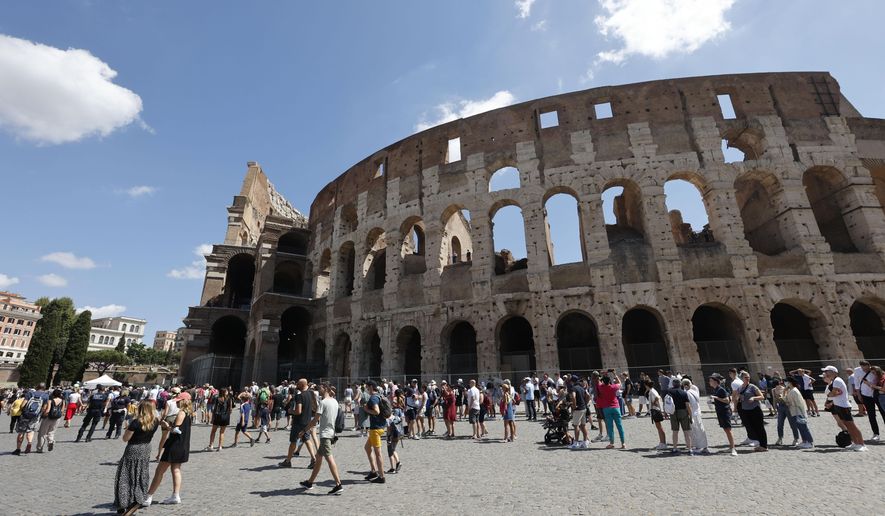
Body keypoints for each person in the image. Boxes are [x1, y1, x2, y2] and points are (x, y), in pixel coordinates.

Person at [144, 398, 193, 506]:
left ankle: (148, 496)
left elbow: (176, 430)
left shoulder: (181, 412)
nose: (176, 402)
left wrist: (167, 426)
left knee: (159, 471)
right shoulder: (189, 413)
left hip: (174, 445)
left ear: (183, 402)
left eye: (178, 401)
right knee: (176, 469)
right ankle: (175, 496)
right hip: (182, 445)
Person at [115, 401, 159, 514]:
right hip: (146, 448)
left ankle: (124, 501)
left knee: (126, 474)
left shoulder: (136, 422)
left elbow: (125, 438)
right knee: (140, 472)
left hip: (134, 448)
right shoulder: (155, 421)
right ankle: (138, 496)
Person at [300, 383, 343, 494]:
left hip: (325, 435)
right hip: (331, 432)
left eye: (320, 388)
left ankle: (338, 484)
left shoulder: (323, 403)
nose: (319, 391)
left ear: (326, 389)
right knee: (318, 458)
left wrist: (304, 430)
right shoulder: (335, 401)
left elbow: (315, 421)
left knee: (329, 459)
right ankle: (309, 482)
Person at [821, 365, 866, 451]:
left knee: (852, 426)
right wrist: (831, 397)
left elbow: (833, 393)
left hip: (844, 406)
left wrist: (830, 395)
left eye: (827, 371)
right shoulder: (834, 381)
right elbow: (834, 394)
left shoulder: (837, 380)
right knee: (847, 426)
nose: (826, 373)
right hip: (839, 405)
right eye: (825, 371)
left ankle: (862, 444)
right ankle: (855, 443)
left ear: (834, 372)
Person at [280, 379, 315, 468]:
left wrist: (290, 411)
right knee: (307, 440)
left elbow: (298, 411)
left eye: (298, 384)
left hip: (298, 422)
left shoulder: (299, 396)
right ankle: (313, 459)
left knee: (293, 441)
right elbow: (315, 407)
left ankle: (288, 461)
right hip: (307, 421)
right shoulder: (310, 394)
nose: (296, 385)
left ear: (302, 385)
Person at [736, 371, 768, 452]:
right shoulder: (740, 388)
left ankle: (764, 446)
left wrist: (754, 398)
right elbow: (737, 398)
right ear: (741, 378)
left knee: (760, 428)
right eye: (746, 377)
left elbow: (762, 397)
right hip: (746, 410)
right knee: (752, 427)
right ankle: (759, 444)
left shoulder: (752, 386)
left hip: (755, 410)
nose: (748, 379)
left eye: (748, 377)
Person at [363, 380, 387, 483]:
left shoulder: (373, 398)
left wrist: (366, 410)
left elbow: (376, 411)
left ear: (371, 387)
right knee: (367, 447)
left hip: (375, 429)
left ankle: (381, 477)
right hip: (381, 426)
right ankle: (373, 471)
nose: (366, 390)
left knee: (378, 453)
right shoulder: (379, 395)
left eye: (367, 388)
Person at [13, 383, 48, 455]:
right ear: (44, 388)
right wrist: (39, 413)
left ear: (37, 386)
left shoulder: (30, 393)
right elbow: (44, 408)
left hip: (25, 415)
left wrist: (23, 411)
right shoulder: (45, 396)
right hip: (35, 416)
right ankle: (29, 443)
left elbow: (23, 405)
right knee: (31, 431)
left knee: (21, 432)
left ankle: (18, 449)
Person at [708, 374, 737, 456]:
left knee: (728, 429)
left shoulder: (721, 389)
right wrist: (712, 402)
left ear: (715, 382)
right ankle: (731, 446)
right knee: (725, 429)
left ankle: (733, 448)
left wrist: (716, 398)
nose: (709, 382)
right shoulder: (715, 390)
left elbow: (727, 400)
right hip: (720, 411)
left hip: (725, 411)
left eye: (711, 381)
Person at [854, 360, 882, 441]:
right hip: (866, 395)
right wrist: (859, 395)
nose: (864, 370)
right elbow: (857, 383)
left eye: (865, 368)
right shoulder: (857, 370)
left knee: (883, 413)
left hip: (877, 394)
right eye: (862, 368)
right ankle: (876, 434)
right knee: (871, 415)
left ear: (869, 366)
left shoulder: (874, 370)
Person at [595, 374, 625, 449]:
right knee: (619, 426)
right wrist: (615, 375)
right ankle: (623, 443)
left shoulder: (601, 387)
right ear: (610, 381)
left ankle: (611, 443)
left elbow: (598, 382)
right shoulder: (613, 387)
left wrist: (600, 377)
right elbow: (620, 383)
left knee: (610, 427)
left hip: (606, 408)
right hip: (616, 407)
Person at [783, 376, 814, 449]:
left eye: (786, 382)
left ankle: (809, 442)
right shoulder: (791, 390)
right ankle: (805, 441)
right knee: (800, 428)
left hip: (798, 412)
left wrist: (789, 403)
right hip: (795, 411)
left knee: (803, 427)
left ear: (790, 382)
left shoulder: (794, 391)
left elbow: (798, 402)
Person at [665, 378, 693, 454]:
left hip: (673, 412)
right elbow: (688, 405)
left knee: (675, 431)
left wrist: (665, 412)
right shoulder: (684, 393)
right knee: (686, 431)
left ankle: (674, 448)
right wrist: (690, 415)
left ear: (673, 384)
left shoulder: (669, 391)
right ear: (680, 384)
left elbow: (667, 402)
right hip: (683, 411)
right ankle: (690, 448)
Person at [683, 378, 708, 454]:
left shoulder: (687, 393)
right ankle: (703, 445)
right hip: (697, 412)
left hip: (693, 413)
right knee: (700, 429)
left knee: (696, 430)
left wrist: (689, 416)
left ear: (686, 385)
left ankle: (699, 446)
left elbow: (689, 405)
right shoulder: (694, 391)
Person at [771, 378, 798, 447]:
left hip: (788, 407)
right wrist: (774, 410)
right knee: (779, 424)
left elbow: (790, 399)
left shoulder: (786, 389)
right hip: (780, 407)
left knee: (792, 424)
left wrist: (783, 396)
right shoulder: (773, 390)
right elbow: (774, 400)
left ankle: (796, 439)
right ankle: (780, 438)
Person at [568, 375, 589, 449]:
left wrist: (574, 405)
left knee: (576, 425)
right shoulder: (581, 388)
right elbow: (588, 395)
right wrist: (585, 403)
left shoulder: (574, 388)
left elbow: (573, 396)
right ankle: (585, 442)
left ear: (572, 381)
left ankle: (576, 442)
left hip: (578, 409)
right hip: (583, 408)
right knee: (583, 425)